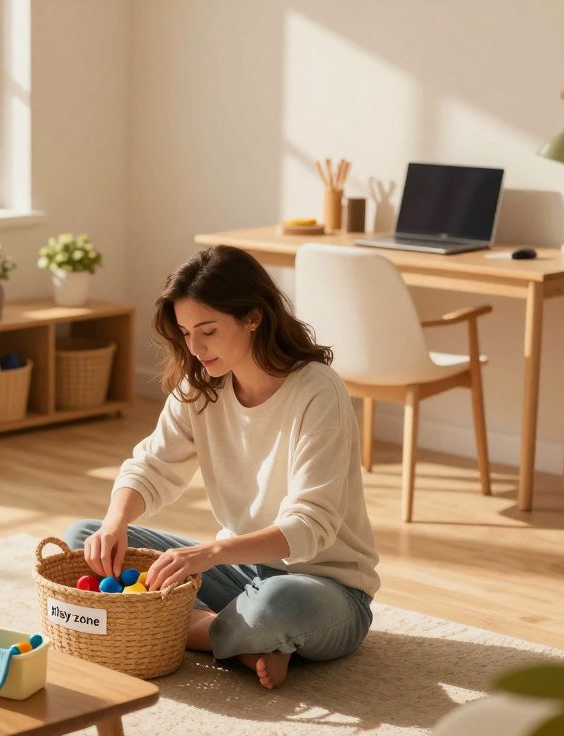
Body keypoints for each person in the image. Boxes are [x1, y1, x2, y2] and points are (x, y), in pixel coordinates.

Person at [64, 245, 379, 690]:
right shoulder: (201, 388)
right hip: (239, 572)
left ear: (253, 317)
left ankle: (188, 629)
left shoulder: (317, 391)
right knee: (84, 539)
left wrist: (207, 554)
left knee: (276, 603)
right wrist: (115, 522)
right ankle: (242, 641)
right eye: (186, 332)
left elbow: (311, 527)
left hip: (324, 588)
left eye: (208, 330)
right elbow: (151, 465)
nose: (195, 348)